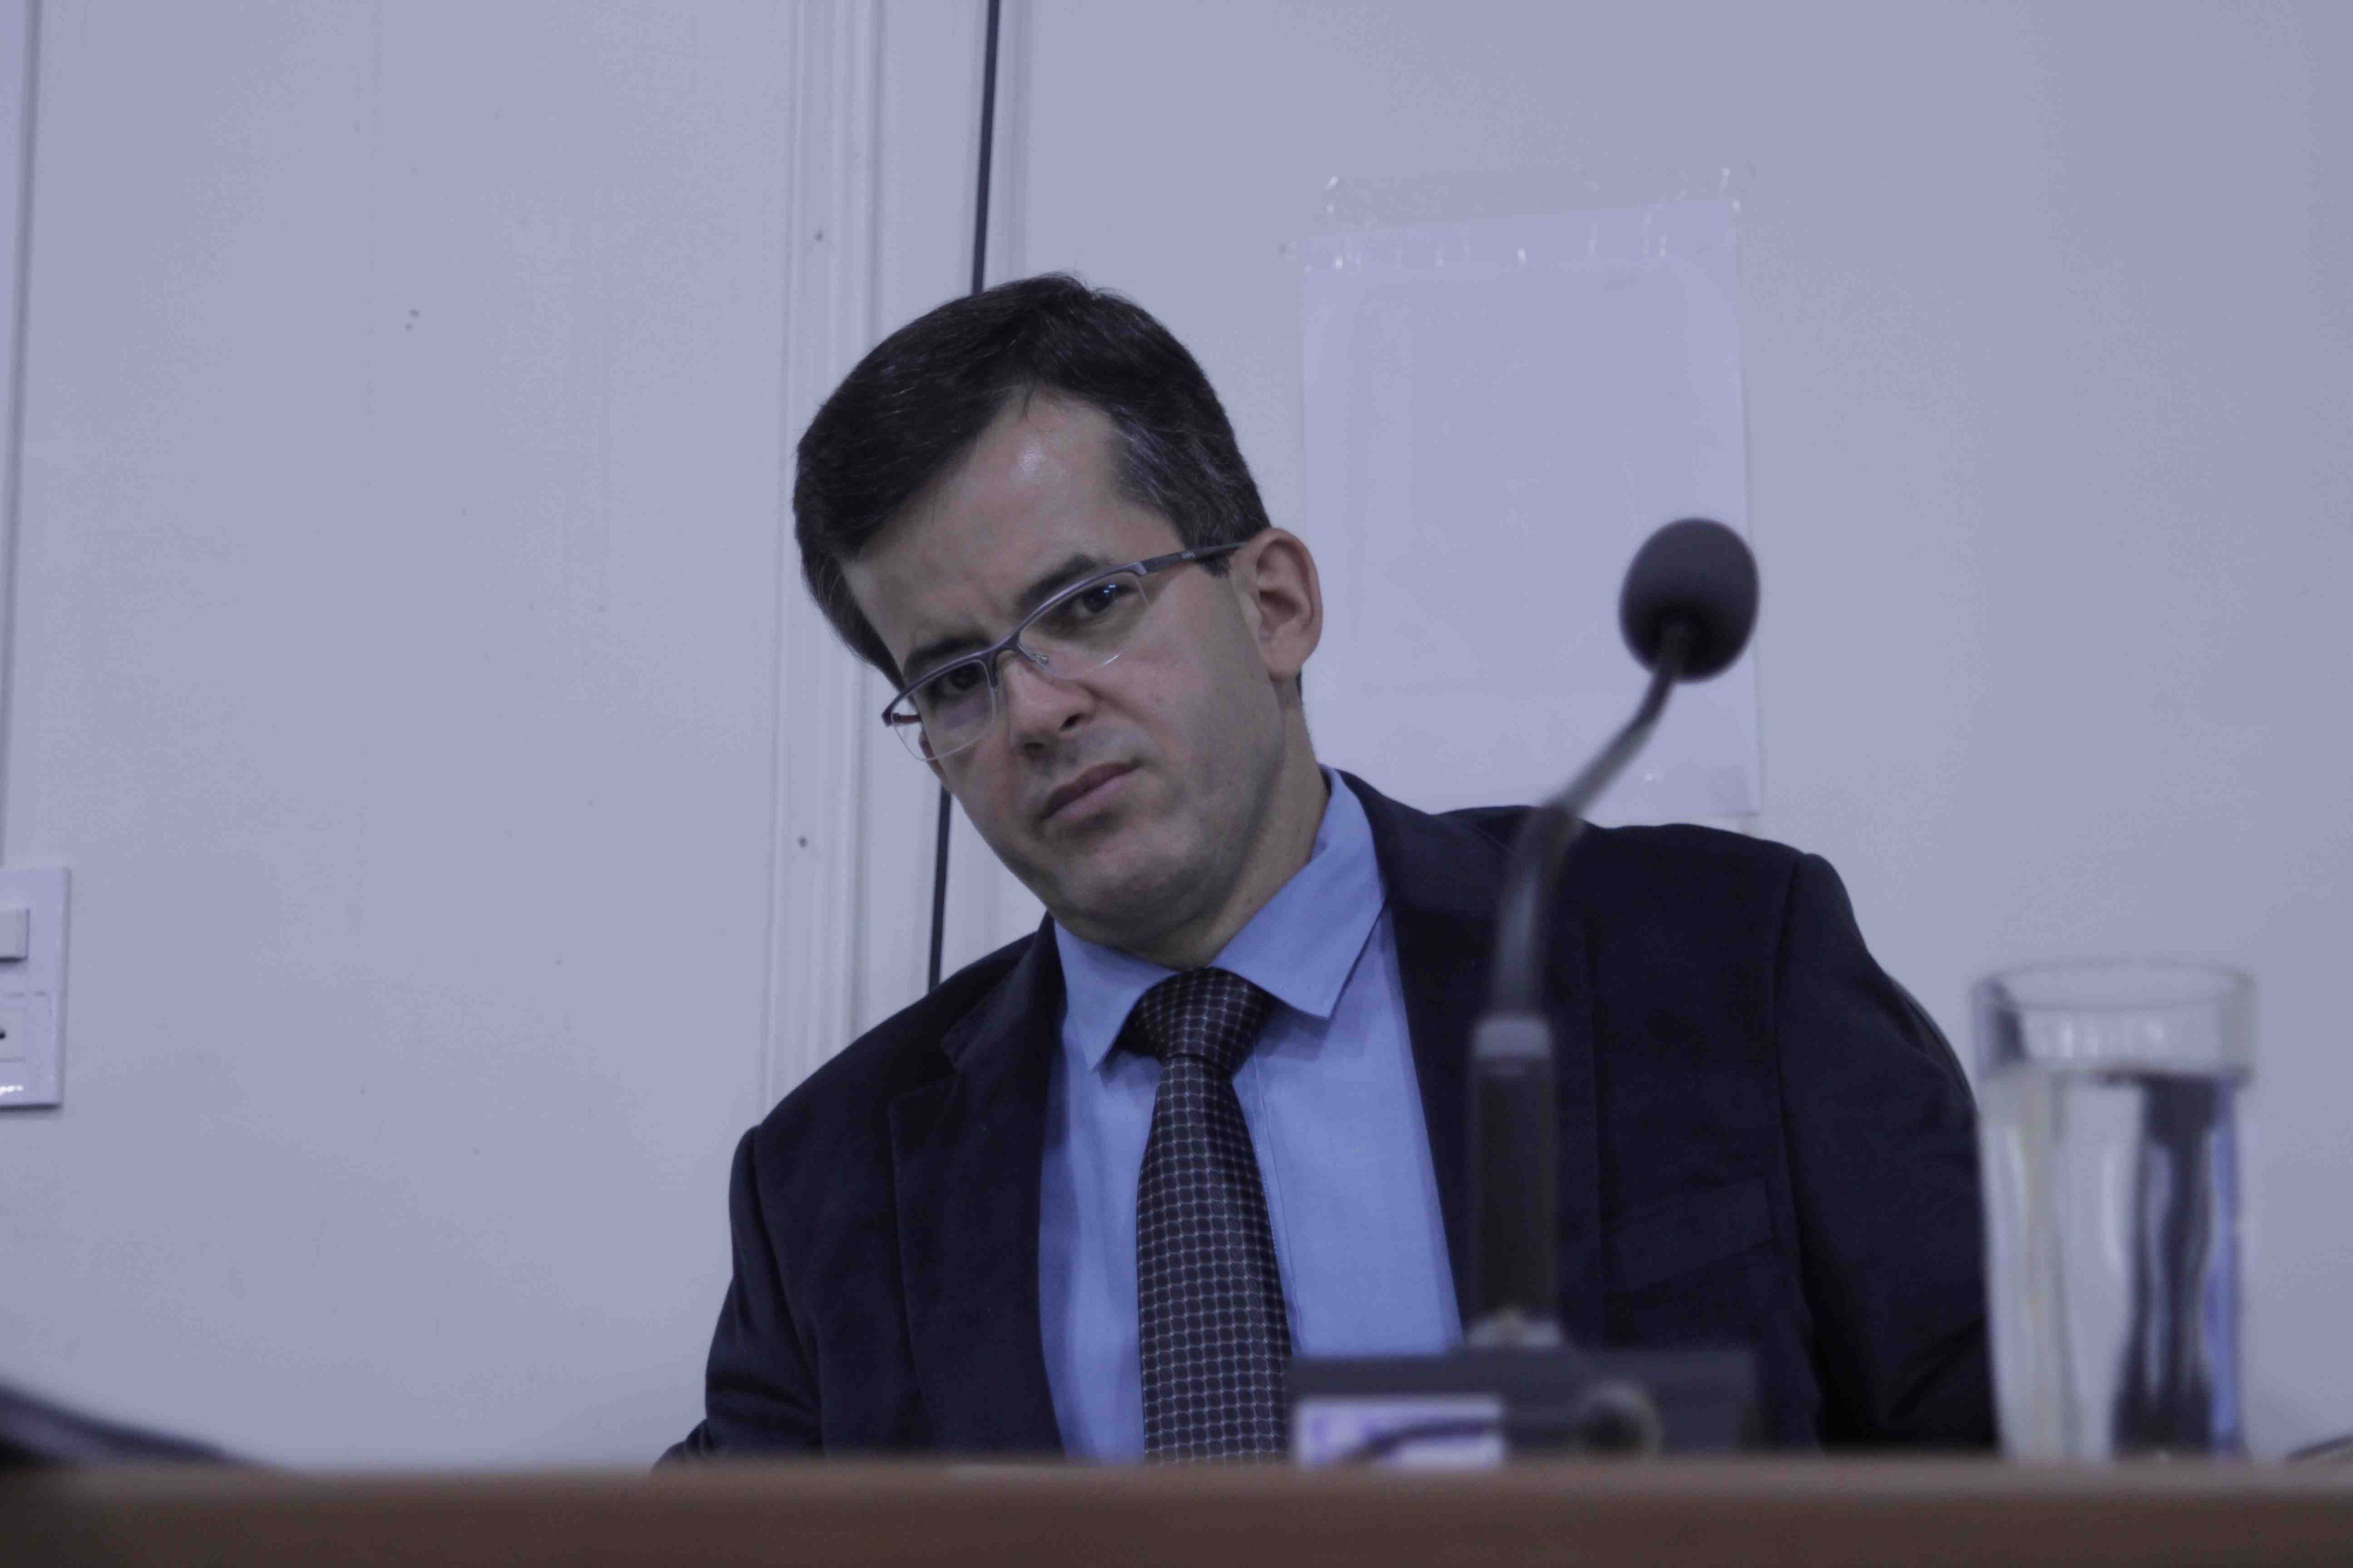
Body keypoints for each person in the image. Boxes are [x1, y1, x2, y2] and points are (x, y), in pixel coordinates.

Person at [665, 274, 1992, 1461]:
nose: (1036, 711)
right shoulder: (826, 1185)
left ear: (1275, 604)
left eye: (1087, 604)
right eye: (958, 678)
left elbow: (2018, 1456)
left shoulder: (1722, 959)